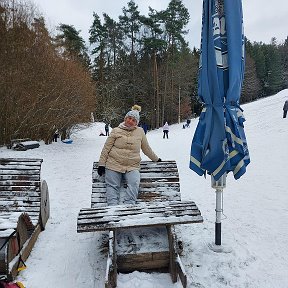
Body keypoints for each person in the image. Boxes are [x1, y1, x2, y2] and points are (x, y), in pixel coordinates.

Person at [97, 105, 161, 206]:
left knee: (134, 183)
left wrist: (156, 159)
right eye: (129, 118)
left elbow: (146, 148)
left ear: (137, 123)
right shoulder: (116, 130)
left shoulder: (140, 132)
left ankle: (129, 207)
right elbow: (106, 148)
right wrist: (101, 164)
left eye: (134, 120)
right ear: (125, 118)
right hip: (113, 164)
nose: (131, 121)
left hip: (132, 166)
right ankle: (112, 209)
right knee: (112, 186)